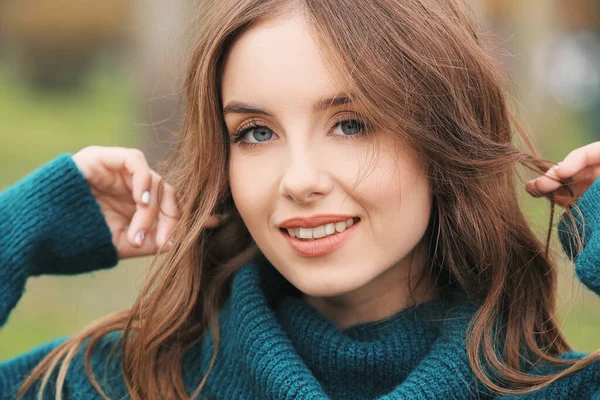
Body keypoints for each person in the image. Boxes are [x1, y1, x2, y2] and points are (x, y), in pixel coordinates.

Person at [3, 0, 600, 398]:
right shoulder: (126, 379)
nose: (299, 179)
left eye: (352, 123)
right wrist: (20, 228)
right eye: (256, 133)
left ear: (442, 137)